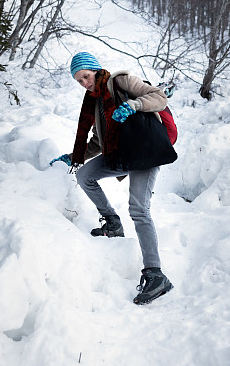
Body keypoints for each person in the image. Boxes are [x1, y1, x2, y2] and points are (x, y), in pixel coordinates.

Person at [50, 52, 174, 305]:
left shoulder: (122, 82)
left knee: (139, 209)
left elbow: (159, 98)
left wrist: (133, 105)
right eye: (79, 81)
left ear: (95, 70)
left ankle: (155, 274)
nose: (84, 83)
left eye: (85, 76)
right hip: (121, 155)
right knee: (85, 175)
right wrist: (75, 156)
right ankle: (112, 222)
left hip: (145, 152)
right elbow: (99, 141)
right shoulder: (95, 102)